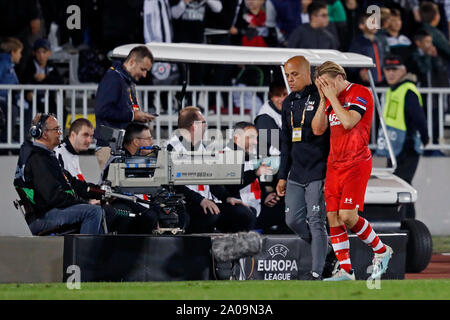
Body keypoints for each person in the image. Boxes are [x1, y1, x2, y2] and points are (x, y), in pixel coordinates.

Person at [312, 61, 393, 281]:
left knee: (348, 216)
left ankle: (381, 249)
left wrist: (332, 98)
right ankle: (346, 271)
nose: (326, 88)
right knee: (333, 217)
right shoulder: (329, 98)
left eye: (328, 84)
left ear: (340, 77)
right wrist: (322, 99)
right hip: (334, 164)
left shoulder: (360, 92)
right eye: (322, 85)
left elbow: (348, 122)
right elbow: (318, 129)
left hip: (356, 162)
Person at [275, 56, 331, 280]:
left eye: (294, 74)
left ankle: (316, 272)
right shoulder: (288, 102)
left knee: (317, 221)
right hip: (296, 172)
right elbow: (286, 142)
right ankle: (325, 249)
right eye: (287, 75)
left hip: (318, 170)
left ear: (308, 74)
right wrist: (282, 176)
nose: (290, 79)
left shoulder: (321, 96)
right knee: (293, 221)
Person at [167, 106, 255, 234]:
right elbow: (173, 185)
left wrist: (227, 197)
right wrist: (200, 200)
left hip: (204, 201)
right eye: (204, 122)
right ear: (194, 126)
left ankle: (237, 250)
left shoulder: (200, 146)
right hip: (185, 203)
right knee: (210, 214)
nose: (206, 126)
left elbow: (211, 179)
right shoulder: (172, 148)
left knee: (245, 213)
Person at [13, 113, 104, 235]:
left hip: (50, 211)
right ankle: (84, 254)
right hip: (43, 216)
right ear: (43, 133)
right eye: (56, 129)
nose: (60, 133)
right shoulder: (37, 159)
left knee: (99, 210)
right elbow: (54, 197)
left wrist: (102, 192)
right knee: (93, 212)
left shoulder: (46, 156)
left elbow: (73, 183)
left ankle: (97, 253)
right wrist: (83, 202)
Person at [379, 55, 429, 219]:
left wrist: (425, 137)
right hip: (394, 149)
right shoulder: (391, 90)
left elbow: (419, 118)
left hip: (407, 149)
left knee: (402, 187)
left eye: (394, 70)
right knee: (400, 187)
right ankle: (405, 224)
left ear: (403, 71)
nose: (390, 74)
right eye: (387, 70)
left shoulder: (407, 90)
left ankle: (408, 226)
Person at [94, 45, 156, 171]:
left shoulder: (126, 80)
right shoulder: (113, 78)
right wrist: (133, 115)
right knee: (113, 189)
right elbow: (102, 110)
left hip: (119, 147)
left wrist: (138, 116)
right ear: (132, 62)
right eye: (143, 69)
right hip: (109, 147)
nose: (144, 75)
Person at [100, 122, 159, 234]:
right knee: (144, 214)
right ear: (136, 141)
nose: (152, 143)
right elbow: (113, 194)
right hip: (123, 205)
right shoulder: (117, 160)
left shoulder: (142, 160)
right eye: (148, 139)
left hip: (140, 205)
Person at [23, 38, 64, 131]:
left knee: (61, 110)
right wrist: (28, 92)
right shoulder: (29, 65)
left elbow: (60, 82)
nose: (41, 55)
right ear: (34, 53)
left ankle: (57, 134)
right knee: (29, 113)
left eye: (44, 52)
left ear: (49, 53)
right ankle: (26, 136)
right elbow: (24, 81)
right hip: (32, 101)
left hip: (49, 100)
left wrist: (46, 77)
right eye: (38, 52)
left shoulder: (52, 66)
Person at [348, 13, 390, 85]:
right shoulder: (357, 42)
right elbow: (351, 64)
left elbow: (387, 57)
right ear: (361, 26)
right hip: (366, 83)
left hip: (384, 81)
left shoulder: (381, 40)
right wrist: (360, 71)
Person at [0, 37, 23, 143]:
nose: (20, 55)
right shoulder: (3, 63)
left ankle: (18, 138)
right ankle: (5, 140)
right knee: (12, 111)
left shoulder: (9, 65)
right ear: (13, 52)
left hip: (9, 99)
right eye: (19, 52)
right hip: (2, 99)